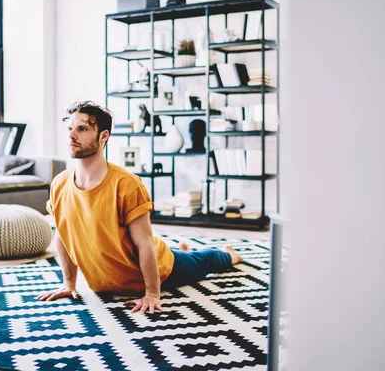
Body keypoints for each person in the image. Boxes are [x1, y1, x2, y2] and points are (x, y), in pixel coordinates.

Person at [37, 101, 242, 314]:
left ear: (104, 136)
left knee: (202, 261)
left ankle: (229, 255)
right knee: (185, 256)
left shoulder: (127, 184)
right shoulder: (59, 183)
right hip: (106, 282)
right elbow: (62, 235)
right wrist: (70, 284)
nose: (72, 135)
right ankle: (182, 251)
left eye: (82, 129)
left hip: (160, 271)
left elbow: (144, 244)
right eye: (70, 128)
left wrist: (152, 294)